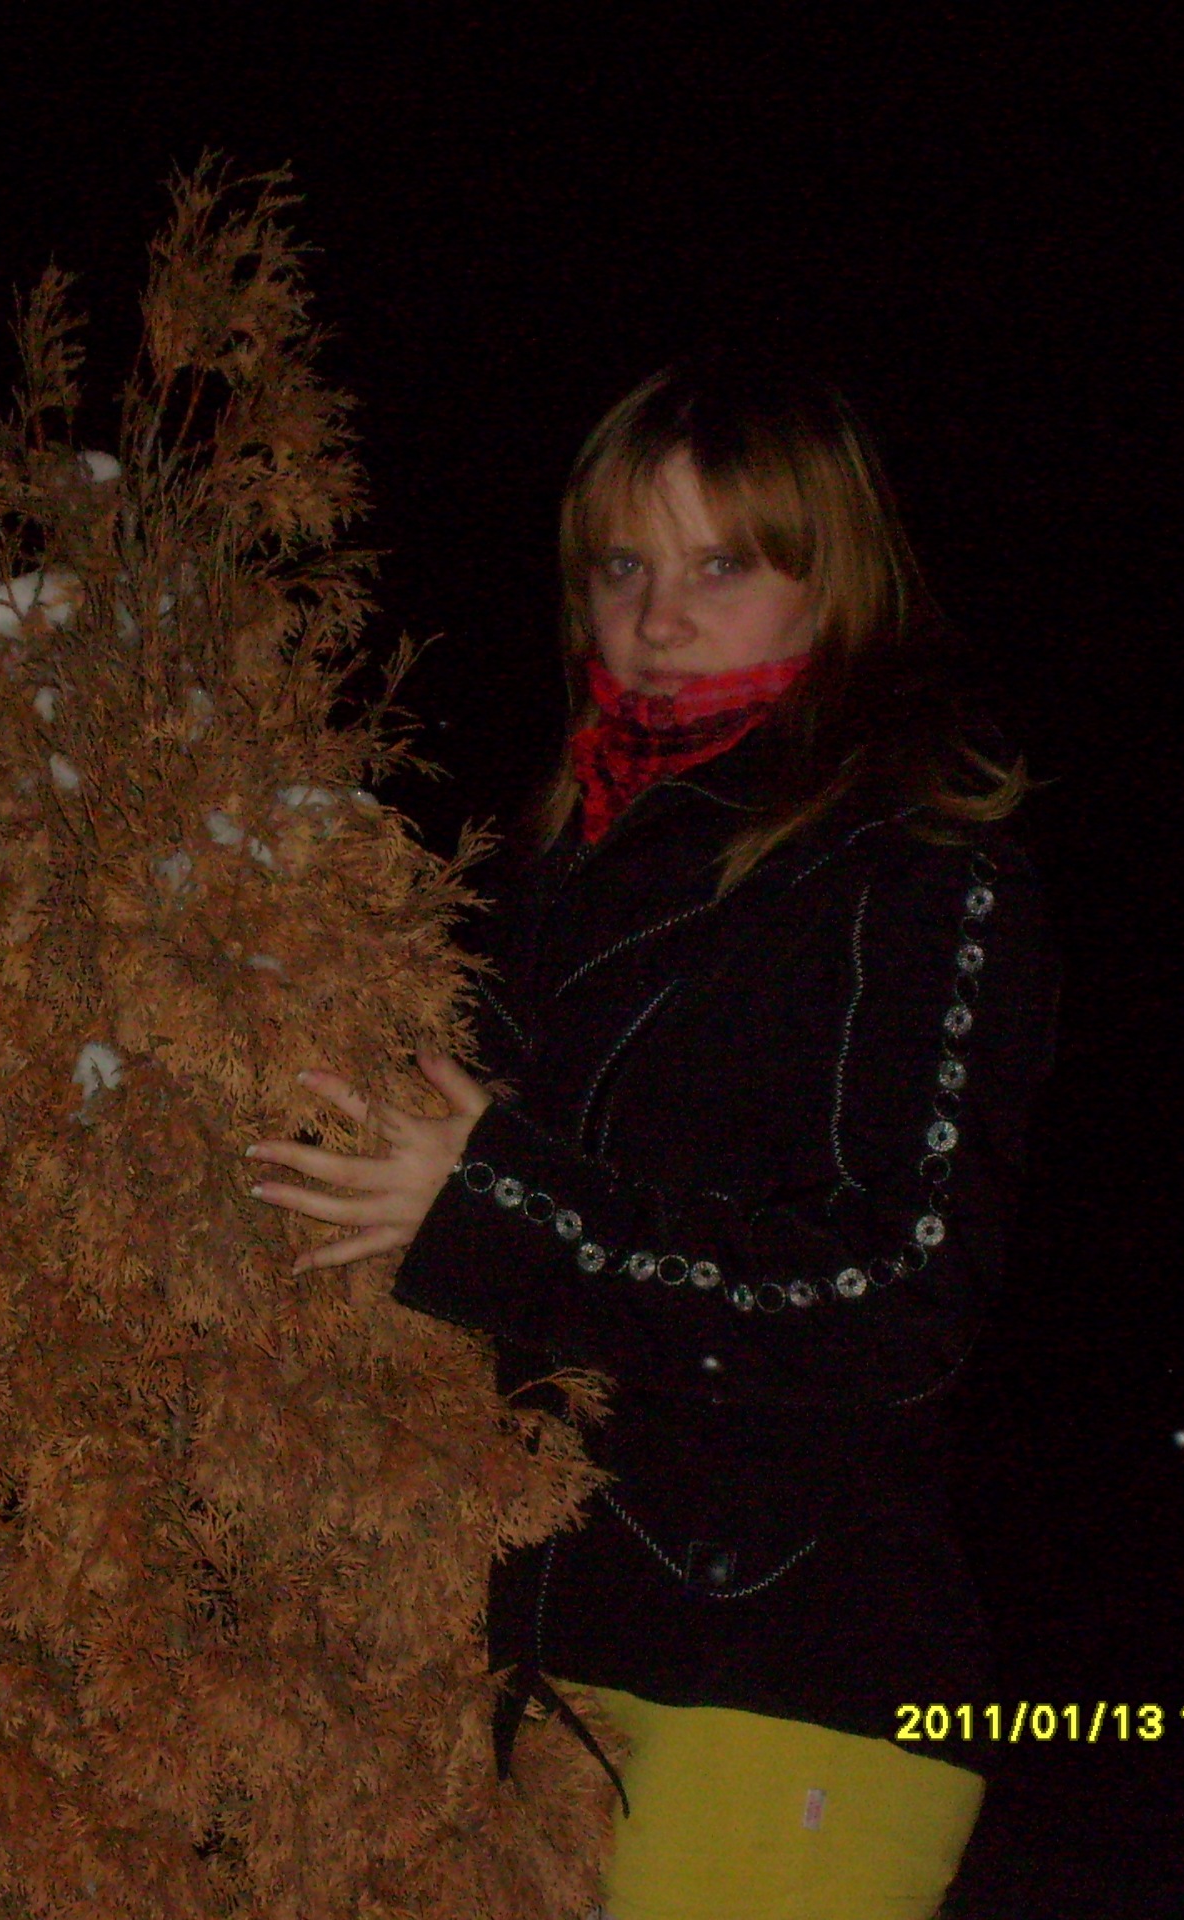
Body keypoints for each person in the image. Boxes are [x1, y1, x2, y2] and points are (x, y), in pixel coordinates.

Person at [244, 355, 1059, 1919]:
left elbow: (903, 1294)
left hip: (782, 1663)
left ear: (838, 581)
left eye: (722, 566)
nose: (660, 618)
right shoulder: (557, 867)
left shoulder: (920, 869)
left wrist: (499, 1214)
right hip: (533, 1649)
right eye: (623, 567)